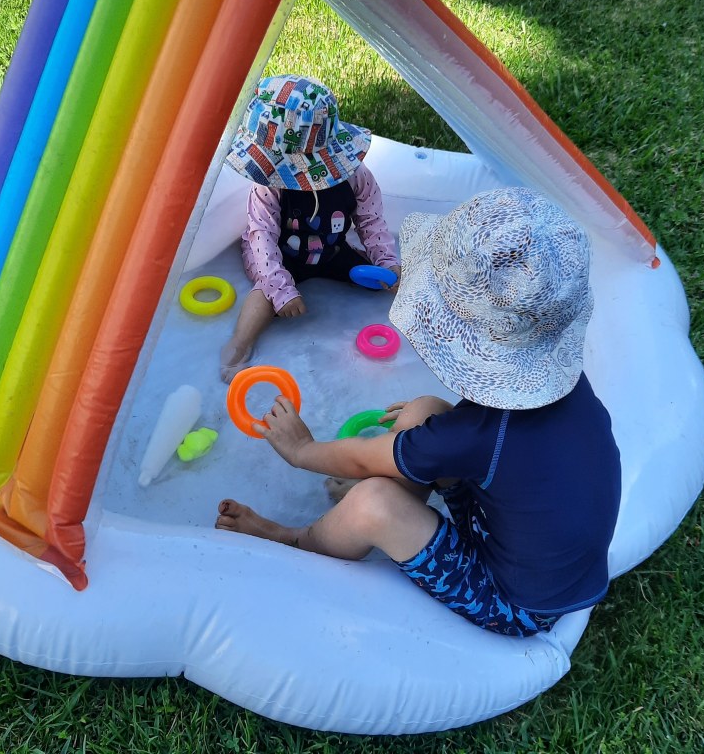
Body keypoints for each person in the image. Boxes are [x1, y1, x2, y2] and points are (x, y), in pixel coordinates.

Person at [216, 187, 622, 637]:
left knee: (372, 503)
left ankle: (295, 539)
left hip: (514, 601)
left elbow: (364, 459)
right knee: (422, 412)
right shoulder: (557, 383)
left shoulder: (479, 436)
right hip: (519, 539)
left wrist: (303, 450)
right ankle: (388, 504)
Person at [219, 75, 399, 382]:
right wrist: (282, 290)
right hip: (278, 256)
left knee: (383, 279)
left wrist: (386, 261)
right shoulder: (268, 186)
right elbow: (262, 236)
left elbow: (371, 220)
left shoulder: (355, 175)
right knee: (265, 295)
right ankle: (239, 344)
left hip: (330, 249)